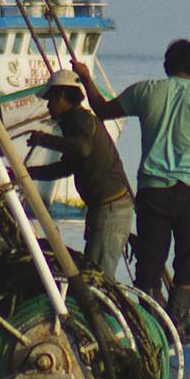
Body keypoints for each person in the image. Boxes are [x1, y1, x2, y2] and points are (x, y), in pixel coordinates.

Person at [79, 39, 190, 323]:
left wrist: (87, 79)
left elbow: (102, 109)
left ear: (167, 64)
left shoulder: (145, 91)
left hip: (153, 191)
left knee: (149, 266)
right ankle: (177, 325)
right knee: (188, 266)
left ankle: (150, 325)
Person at [25, 69, 134, 278]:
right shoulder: (75, 123)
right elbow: (66, 167)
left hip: (111, 210)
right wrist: (28, 173)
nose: (48, 106)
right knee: (93, 272)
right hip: (106, 209)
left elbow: (82, 148)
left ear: (63, 96)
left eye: (50, 100)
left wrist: (43, 139)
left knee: (99, 276)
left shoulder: (77, 118)